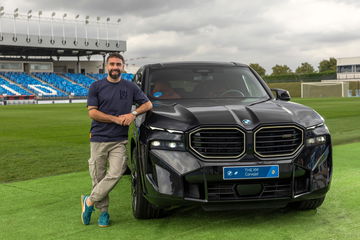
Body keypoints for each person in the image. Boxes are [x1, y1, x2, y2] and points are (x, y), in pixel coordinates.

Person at [81, 52, 152, 227]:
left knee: (116, 172)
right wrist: (115, 119)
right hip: (98, 138)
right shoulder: (96, 86)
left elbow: (148, 104)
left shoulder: (130, 87)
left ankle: (88, 201)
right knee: (98, 176)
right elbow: (92, 112)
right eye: (112, 64)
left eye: (118, 64)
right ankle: (104, 213)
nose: (115, 67)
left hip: (119, 139)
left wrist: (133, 114)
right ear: (107, 66)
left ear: (122, 66)